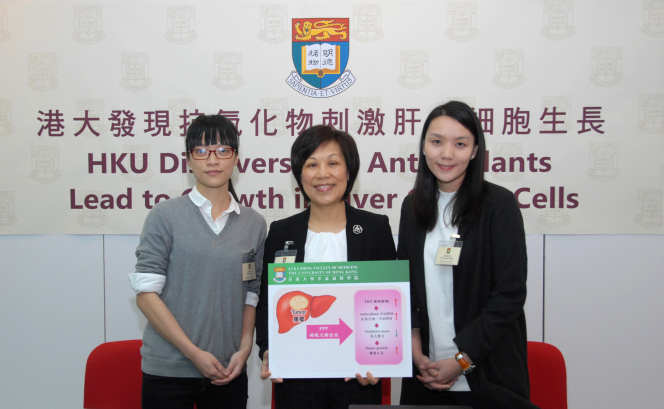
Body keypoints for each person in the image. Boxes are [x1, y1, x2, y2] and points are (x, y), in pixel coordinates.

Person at [398, 101, 538, 409]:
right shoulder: (412, 208)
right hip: (425, 376)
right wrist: (415, 351)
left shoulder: (499, 206)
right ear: (423, 146)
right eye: (436, 142)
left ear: (475, 151)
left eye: (460, 144)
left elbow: (510, 294)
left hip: (488, 377)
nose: (446, 154)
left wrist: (461, 360)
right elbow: (405, 289)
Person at [128, 115, 266, 409]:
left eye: (223, 151)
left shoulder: (254, 224)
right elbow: (145, 295)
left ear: (236, 159)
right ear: (189, 161)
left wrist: (244, 349)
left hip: (229, 372)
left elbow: (251, 295)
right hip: (169, 373)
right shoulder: (165, 216)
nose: (212, 160)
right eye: (201, 151)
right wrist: (193, 353)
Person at [255, 125, 397, 409]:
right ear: (300, 174)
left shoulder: (374, 228)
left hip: (357, 379)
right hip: (296, 380)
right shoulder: (282, 231)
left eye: (333, 163)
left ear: (349, 171)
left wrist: (378, 361)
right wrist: (269, 349)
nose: (322, 174)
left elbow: (389, 302)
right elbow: (266, 302)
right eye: (311, 164)